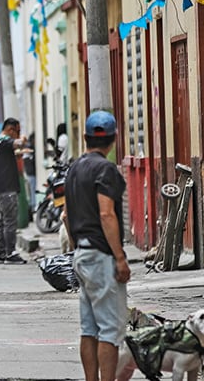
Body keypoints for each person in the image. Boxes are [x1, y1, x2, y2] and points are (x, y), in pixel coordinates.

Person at [63, 111, 130, 381]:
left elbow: (66, 215)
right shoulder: (105, 170)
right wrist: (119, 258)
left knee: (89, 329)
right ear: (114, 139)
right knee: (110, 330)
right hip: (101, 256)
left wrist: (76, 247)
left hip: (81, 253)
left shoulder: (74, 168)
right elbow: (106, 213)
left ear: (85, 138)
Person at [0, 117, 28, 264]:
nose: (17, 135)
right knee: (10, 222)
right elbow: (18, 143)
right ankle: (11, 253)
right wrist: (23, 139)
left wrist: (17, 155)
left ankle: (1, 253)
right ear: (10, 130)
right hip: (7, 189)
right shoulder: (5, 140)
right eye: (17, 131)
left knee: (3, 222)